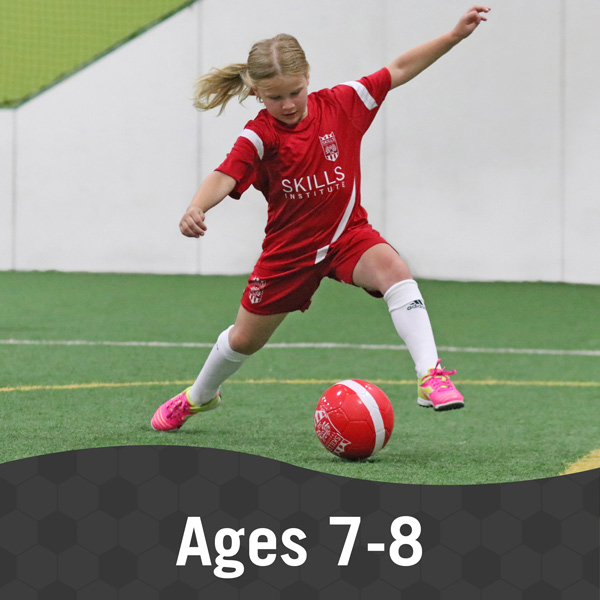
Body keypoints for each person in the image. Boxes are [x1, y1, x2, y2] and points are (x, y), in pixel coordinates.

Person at [151, 6, 491, 431]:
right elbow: (224, 175)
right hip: (289, 254)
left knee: (395, 269)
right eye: (275, 97)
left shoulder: (344, 103)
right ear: (257, 92)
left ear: (308, 76)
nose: (288, 104)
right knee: (243, 340)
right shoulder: (261, 135)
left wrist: (454, 36)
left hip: (348, 236)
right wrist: (196, 207)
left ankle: (430, 375)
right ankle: (198, 398)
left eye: (295, 92)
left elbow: (400, 67)